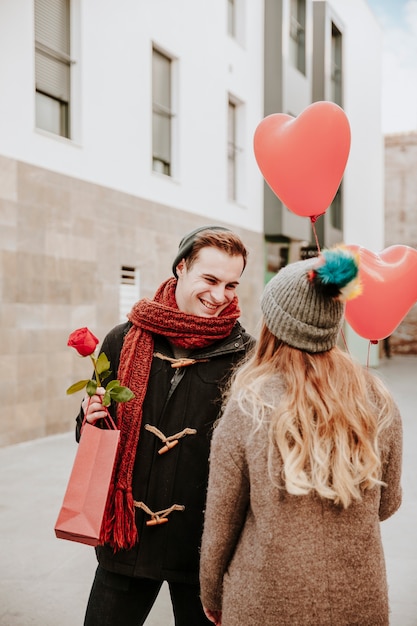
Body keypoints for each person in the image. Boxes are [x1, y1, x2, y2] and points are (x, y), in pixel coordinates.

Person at [200, 247, 403, 626]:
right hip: (358, 601)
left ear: (273, 325)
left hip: (265, 600)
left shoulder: (250, 404)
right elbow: (387, 504)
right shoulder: (377, 399)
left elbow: (222, 522)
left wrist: (211, 593)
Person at [76, 225, 254, 626]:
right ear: (181, 268)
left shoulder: (247, 356)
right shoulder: (122, 340)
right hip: (126, 538)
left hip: (201, 548)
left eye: (231, 285)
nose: (219, 296)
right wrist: (88, 419)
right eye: (209, 279)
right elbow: (90, 438)